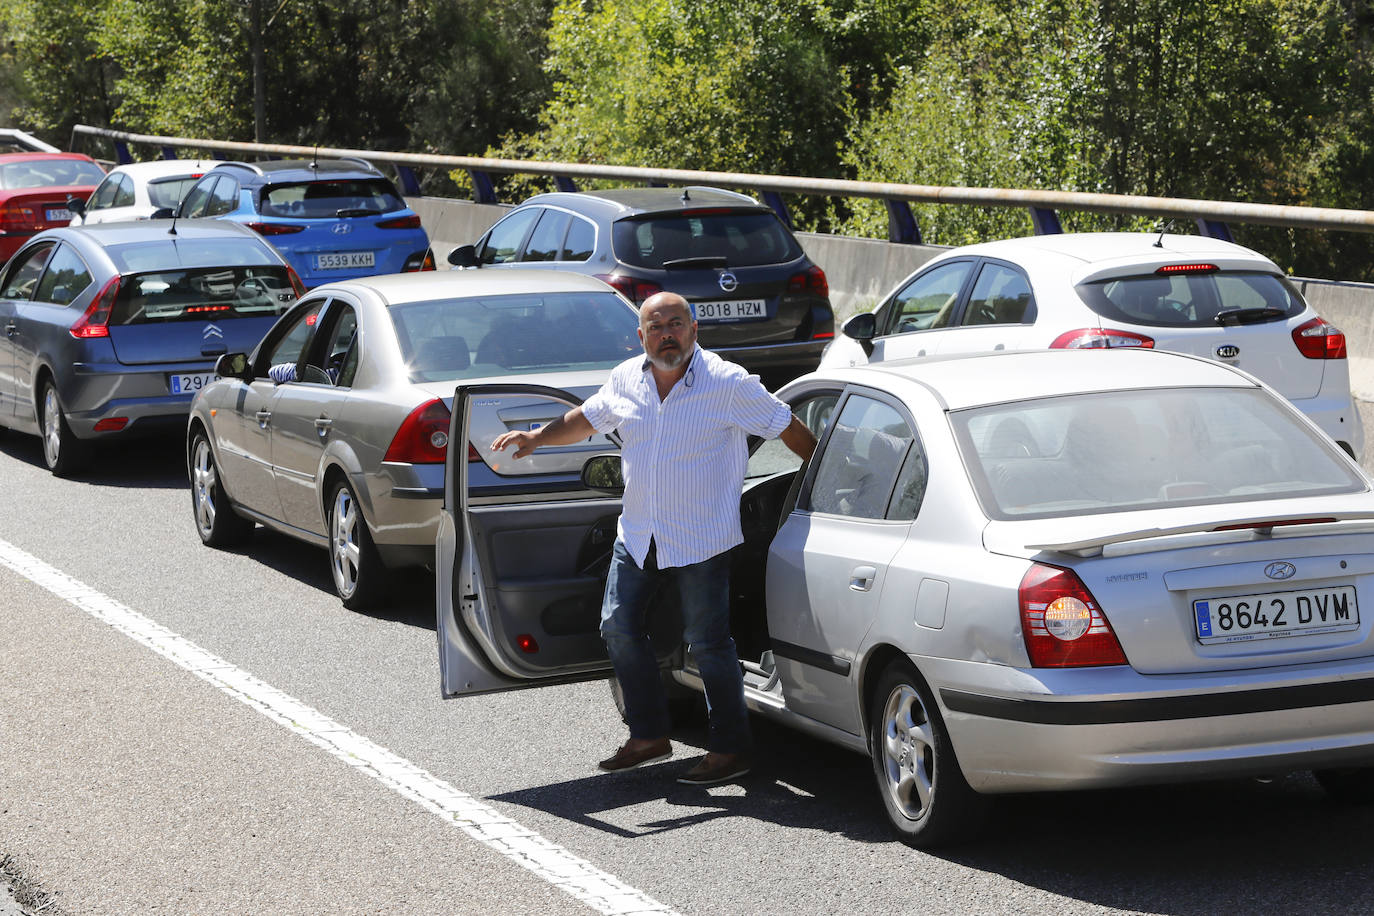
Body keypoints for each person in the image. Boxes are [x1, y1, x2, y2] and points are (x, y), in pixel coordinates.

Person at [491, 291, 816, 786]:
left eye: (677, 323)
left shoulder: (727, 383)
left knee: (708, 645)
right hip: (640, 533)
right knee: (617, 628)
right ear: (640, 336)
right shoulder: (626, 379)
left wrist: (822, 473)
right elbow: (588, 417)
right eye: (656, 325)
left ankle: (730, 749)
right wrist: (536, 437)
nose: (668, 333)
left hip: (702, 537)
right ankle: (648, 736)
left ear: (694, 330)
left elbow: (784, 426)